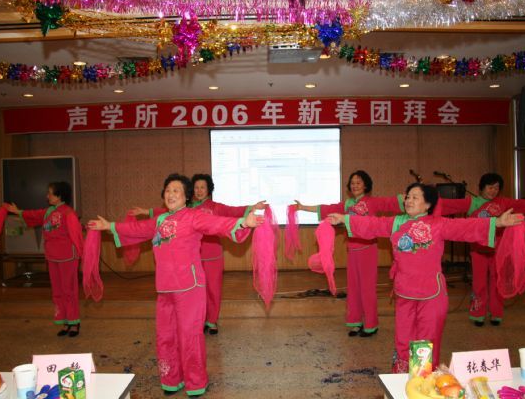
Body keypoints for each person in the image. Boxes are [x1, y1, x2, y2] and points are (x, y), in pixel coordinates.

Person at [88, 173, 263, 397]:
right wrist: (109, 225)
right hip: (165, 287)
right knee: (165, 336)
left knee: (190, 337)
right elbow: (138, 229)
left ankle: (196, 383)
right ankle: (171, 380)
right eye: (168, 190)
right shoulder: (160, 220)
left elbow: (216, 224)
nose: (171, 194)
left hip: (189, 287)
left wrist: (243, 222)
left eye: (176, 190)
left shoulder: (194, 216)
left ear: (186, 196)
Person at [327, 182, 524, 372]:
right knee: (403, 339)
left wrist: (498, 222)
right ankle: (402, 380)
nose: (409, 201)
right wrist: (344, 219)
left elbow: (465, 227)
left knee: (426, 341)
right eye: (408, 197)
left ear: (428, 204)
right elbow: (372, 224)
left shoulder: (439, 224)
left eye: (415, 197)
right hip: (404, 291)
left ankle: (422, 382)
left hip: (431, 293)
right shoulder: (396, 222)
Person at [130, 173, 266, 335]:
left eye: (203, 187)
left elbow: (233, 211)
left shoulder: (215, 207)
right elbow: (164, 212)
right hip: (190, 258)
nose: (199, 190)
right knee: (195, 294)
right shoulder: (187, 207)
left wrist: (252, 208)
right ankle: (198, 320)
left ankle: (212, 321)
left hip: (212, 255)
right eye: (196, 187)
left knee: (213, 289)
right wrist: (146, 211)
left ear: (209, 189)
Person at [294, 170, 404, 337]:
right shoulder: (347, 205)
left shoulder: (373, 202)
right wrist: (302, 207)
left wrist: (409, 197)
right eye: (352, 183)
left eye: (358, 182)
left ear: (366, 185)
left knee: (367, 289)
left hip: (368, 249)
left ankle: (371, 324)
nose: (355, 185)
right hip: (352, 250)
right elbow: (326, 208)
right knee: (353, 288)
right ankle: (356, 322)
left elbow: (392, 203)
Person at [438, 172, 525, 327]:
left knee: (497, 282)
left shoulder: (503, 202)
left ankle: (496, 313)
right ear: (481, 188)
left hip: (498, 250)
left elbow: (521, 204)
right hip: (478, 250)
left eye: (496, 188)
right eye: (490, 187)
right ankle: (478, 315)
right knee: (479, 283)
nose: (493, 191)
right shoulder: (472, 202)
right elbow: (449, 205)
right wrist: (425, 201)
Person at [4, 182, 83, 337]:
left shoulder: (69, 213)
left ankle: (74, 322)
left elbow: (77, 235)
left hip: (67, 257)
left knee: (69, 290)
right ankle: (64, 321)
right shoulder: (48, 212)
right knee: (57, 290)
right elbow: (34, 215)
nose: (47, 196)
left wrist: (82, 253)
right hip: (52, 256)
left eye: (50, 193)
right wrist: (17, 211)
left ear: (59, 196)